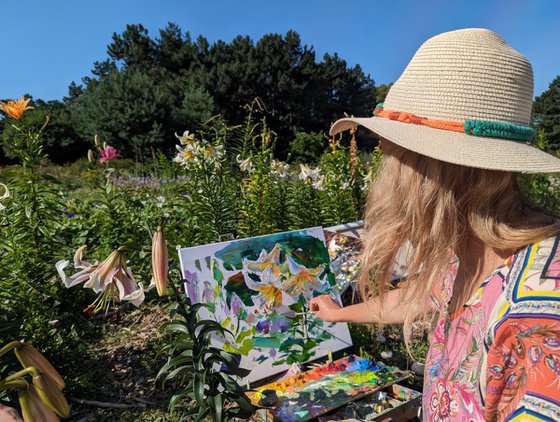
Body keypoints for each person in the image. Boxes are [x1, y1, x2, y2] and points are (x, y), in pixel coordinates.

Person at [310, 28, 560, 421]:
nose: (382, 174)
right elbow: (420, 296)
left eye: (390, 154)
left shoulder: (538, 320)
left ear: (430, 172)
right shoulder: (469, 248)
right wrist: (337, 314)